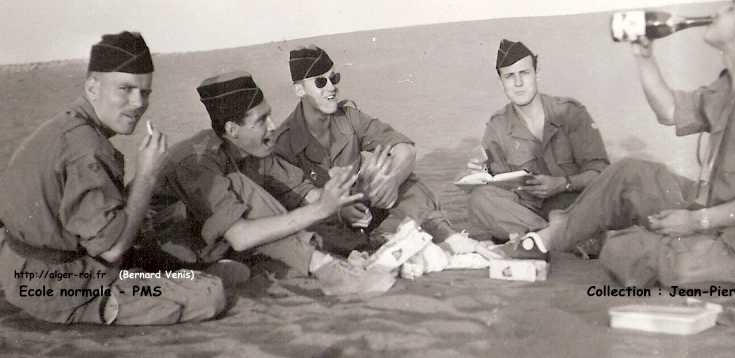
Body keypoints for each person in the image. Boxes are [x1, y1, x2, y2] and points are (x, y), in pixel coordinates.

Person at [521, 0, 735, 287]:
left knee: (627, 252)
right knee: (629, 173)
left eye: (729, 8)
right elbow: (669, 110)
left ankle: (597, 234)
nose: (716, 12)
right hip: (715, 212)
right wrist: (645, 58)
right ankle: (549, 239)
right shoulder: (732, 86)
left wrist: (696, 221)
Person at [0, 31, 226, 325]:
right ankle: (102, 307)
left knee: (164, 217)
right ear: (93, 87)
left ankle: (173, 273)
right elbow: (112, 249)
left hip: (23, 266)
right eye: (125, 89)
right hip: (57, 286)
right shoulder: (86, 149)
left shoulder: (67, 126)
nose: (137, 103)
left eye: (145, 92)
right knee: (209, 295)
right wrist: (147, 173)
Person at [147, 71, 396, 296]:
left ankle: (337, 257)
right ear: (232, 129)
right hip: (161, 250)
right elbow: (241, 236)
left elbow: (305, 195)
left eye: (270, 116)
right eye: (261, 121)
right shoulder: (197, 160)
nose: (273, 126)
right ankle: (325, 268)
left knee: (289, 214)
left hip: (214, 240)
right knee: (243, 189)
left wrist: (343, 200)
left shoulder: (252, 151)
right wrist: (320, 210)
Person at [273, 46, 478, 253]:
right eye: (320, 82)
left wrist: (393, 180)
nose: (331, 87)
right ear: (299, 90)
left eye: (334, 78)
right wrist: (339, 210)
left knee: (397, 174)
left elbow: (405, 149)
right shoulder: (283, 142)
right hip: (324, 218)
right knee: (316, 236)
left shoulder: (349, 118)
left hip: (360, 210)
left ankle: (447, 236)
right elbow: (304, 199)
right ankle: (369, 247)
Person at [466, 39, 609, 252]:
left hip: (575, 206)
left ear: (536, 73)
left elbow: (601, 173)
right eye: (509, 76)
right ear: (501, 82)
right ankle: (556, 238)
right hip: (531, 213)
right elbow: (497, 183)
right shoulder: (498, 125)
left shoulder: (571, 112)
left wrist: (563, 184)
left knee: (598, 208)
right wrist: (480, 172)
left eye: (524, 73)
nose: (518, 83)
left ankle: (544, 240)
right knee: (480, 199)